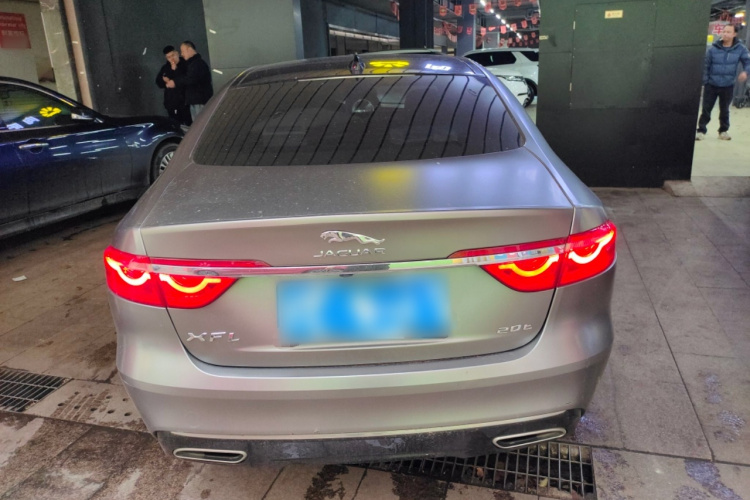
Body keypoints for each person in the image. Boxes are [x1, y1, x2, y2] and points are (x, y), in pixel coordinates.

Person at [696, 24, 750, 141]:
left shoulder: (740, 49)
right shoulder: (713, 49)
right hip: (711, 84)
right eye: (724, 31)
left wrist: (746, 72)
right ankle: (701, 130)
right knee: (706, 109)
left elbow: (748, 62)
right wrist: (705, 82)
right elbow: (705, 66)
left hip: (728, 85)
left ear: (734, 34)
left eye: (728, 32)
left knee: (725, 110)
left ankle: (723, 131)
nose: (725, 34)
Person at [164, 41, 213, 122]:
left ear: (190, 49)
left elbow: (190, 79)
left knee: (200, 124)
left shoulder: (197, 64)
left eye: (183, 51)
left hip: (199, 100)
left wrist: (175, 82)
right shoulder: (192, 64)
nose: (182, 54)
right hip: (194, 100)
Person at [155, 45, 191, 126]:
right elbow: (158, 81)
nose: (172, 58)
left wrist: (175, 70)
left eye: (173, 55)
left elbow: (185, 79)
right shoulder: (165, 68)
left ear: (177, 53)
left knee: (188, 124)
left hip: (184, 102)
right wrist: (165, 82)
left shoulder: (185, 64)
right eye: (169, 57)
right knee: (175, 124)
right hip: (171, 103)